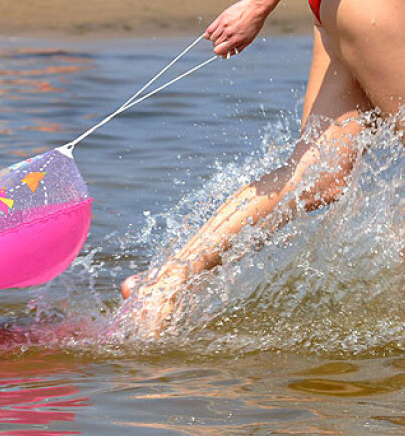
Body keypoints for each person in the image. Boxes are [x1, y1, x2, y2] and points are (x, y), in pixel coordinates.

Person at [121, 0, 405, 334]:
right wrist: (258, 6)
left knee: (318, 176)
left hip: (341, 10)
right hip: (377, 9)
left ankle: (165, 285)